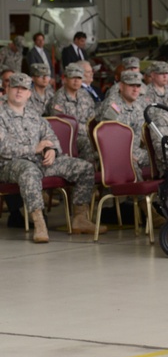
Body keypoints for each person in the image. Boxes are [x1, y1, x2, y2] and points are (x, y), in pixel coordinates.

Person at [0, 73, 104, 242]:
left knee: (84, 168)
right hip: (10, 164)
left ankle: (80, 217)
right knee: (29, 171)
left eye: (24, 88)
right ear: (7, 89)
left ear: (29, 93)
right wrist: (34, 148)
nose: (19, 91)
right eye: (15, 87)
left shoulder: (34, 115)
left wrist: (51, 150)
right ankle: (39, 223)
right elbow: (3, 148)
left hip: (41, 161)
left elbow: (51, 136)